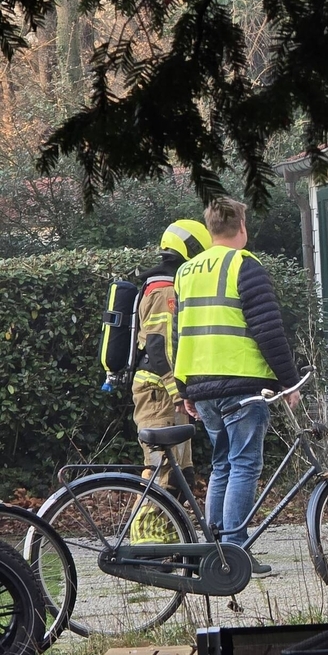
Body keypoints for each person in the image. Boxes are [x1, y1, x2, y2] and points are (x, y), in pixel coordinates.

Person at [173, 198, 300, 576]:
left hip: (201, 385)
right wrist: (289, 381)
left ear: (209, 228)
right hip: (243, 385)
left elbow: (180, 334)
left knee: (222, 465)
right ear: (241, 227)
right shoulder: (245, 266)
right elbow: (267, 329)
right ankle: (234, 551)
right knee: (244, 464)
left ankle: (214, 553)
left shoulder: (187, 271)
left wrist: (184, 388)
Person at [129, 219, 212, 545]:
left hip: (164, 392)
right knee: (161, 472)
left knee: (181, 473)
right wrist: (177, 393)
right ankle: (145, 546)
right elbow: (159, 347)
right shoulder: (165, 290)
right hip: (159, 393)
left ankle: (171, 541)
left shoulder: (160, 284)